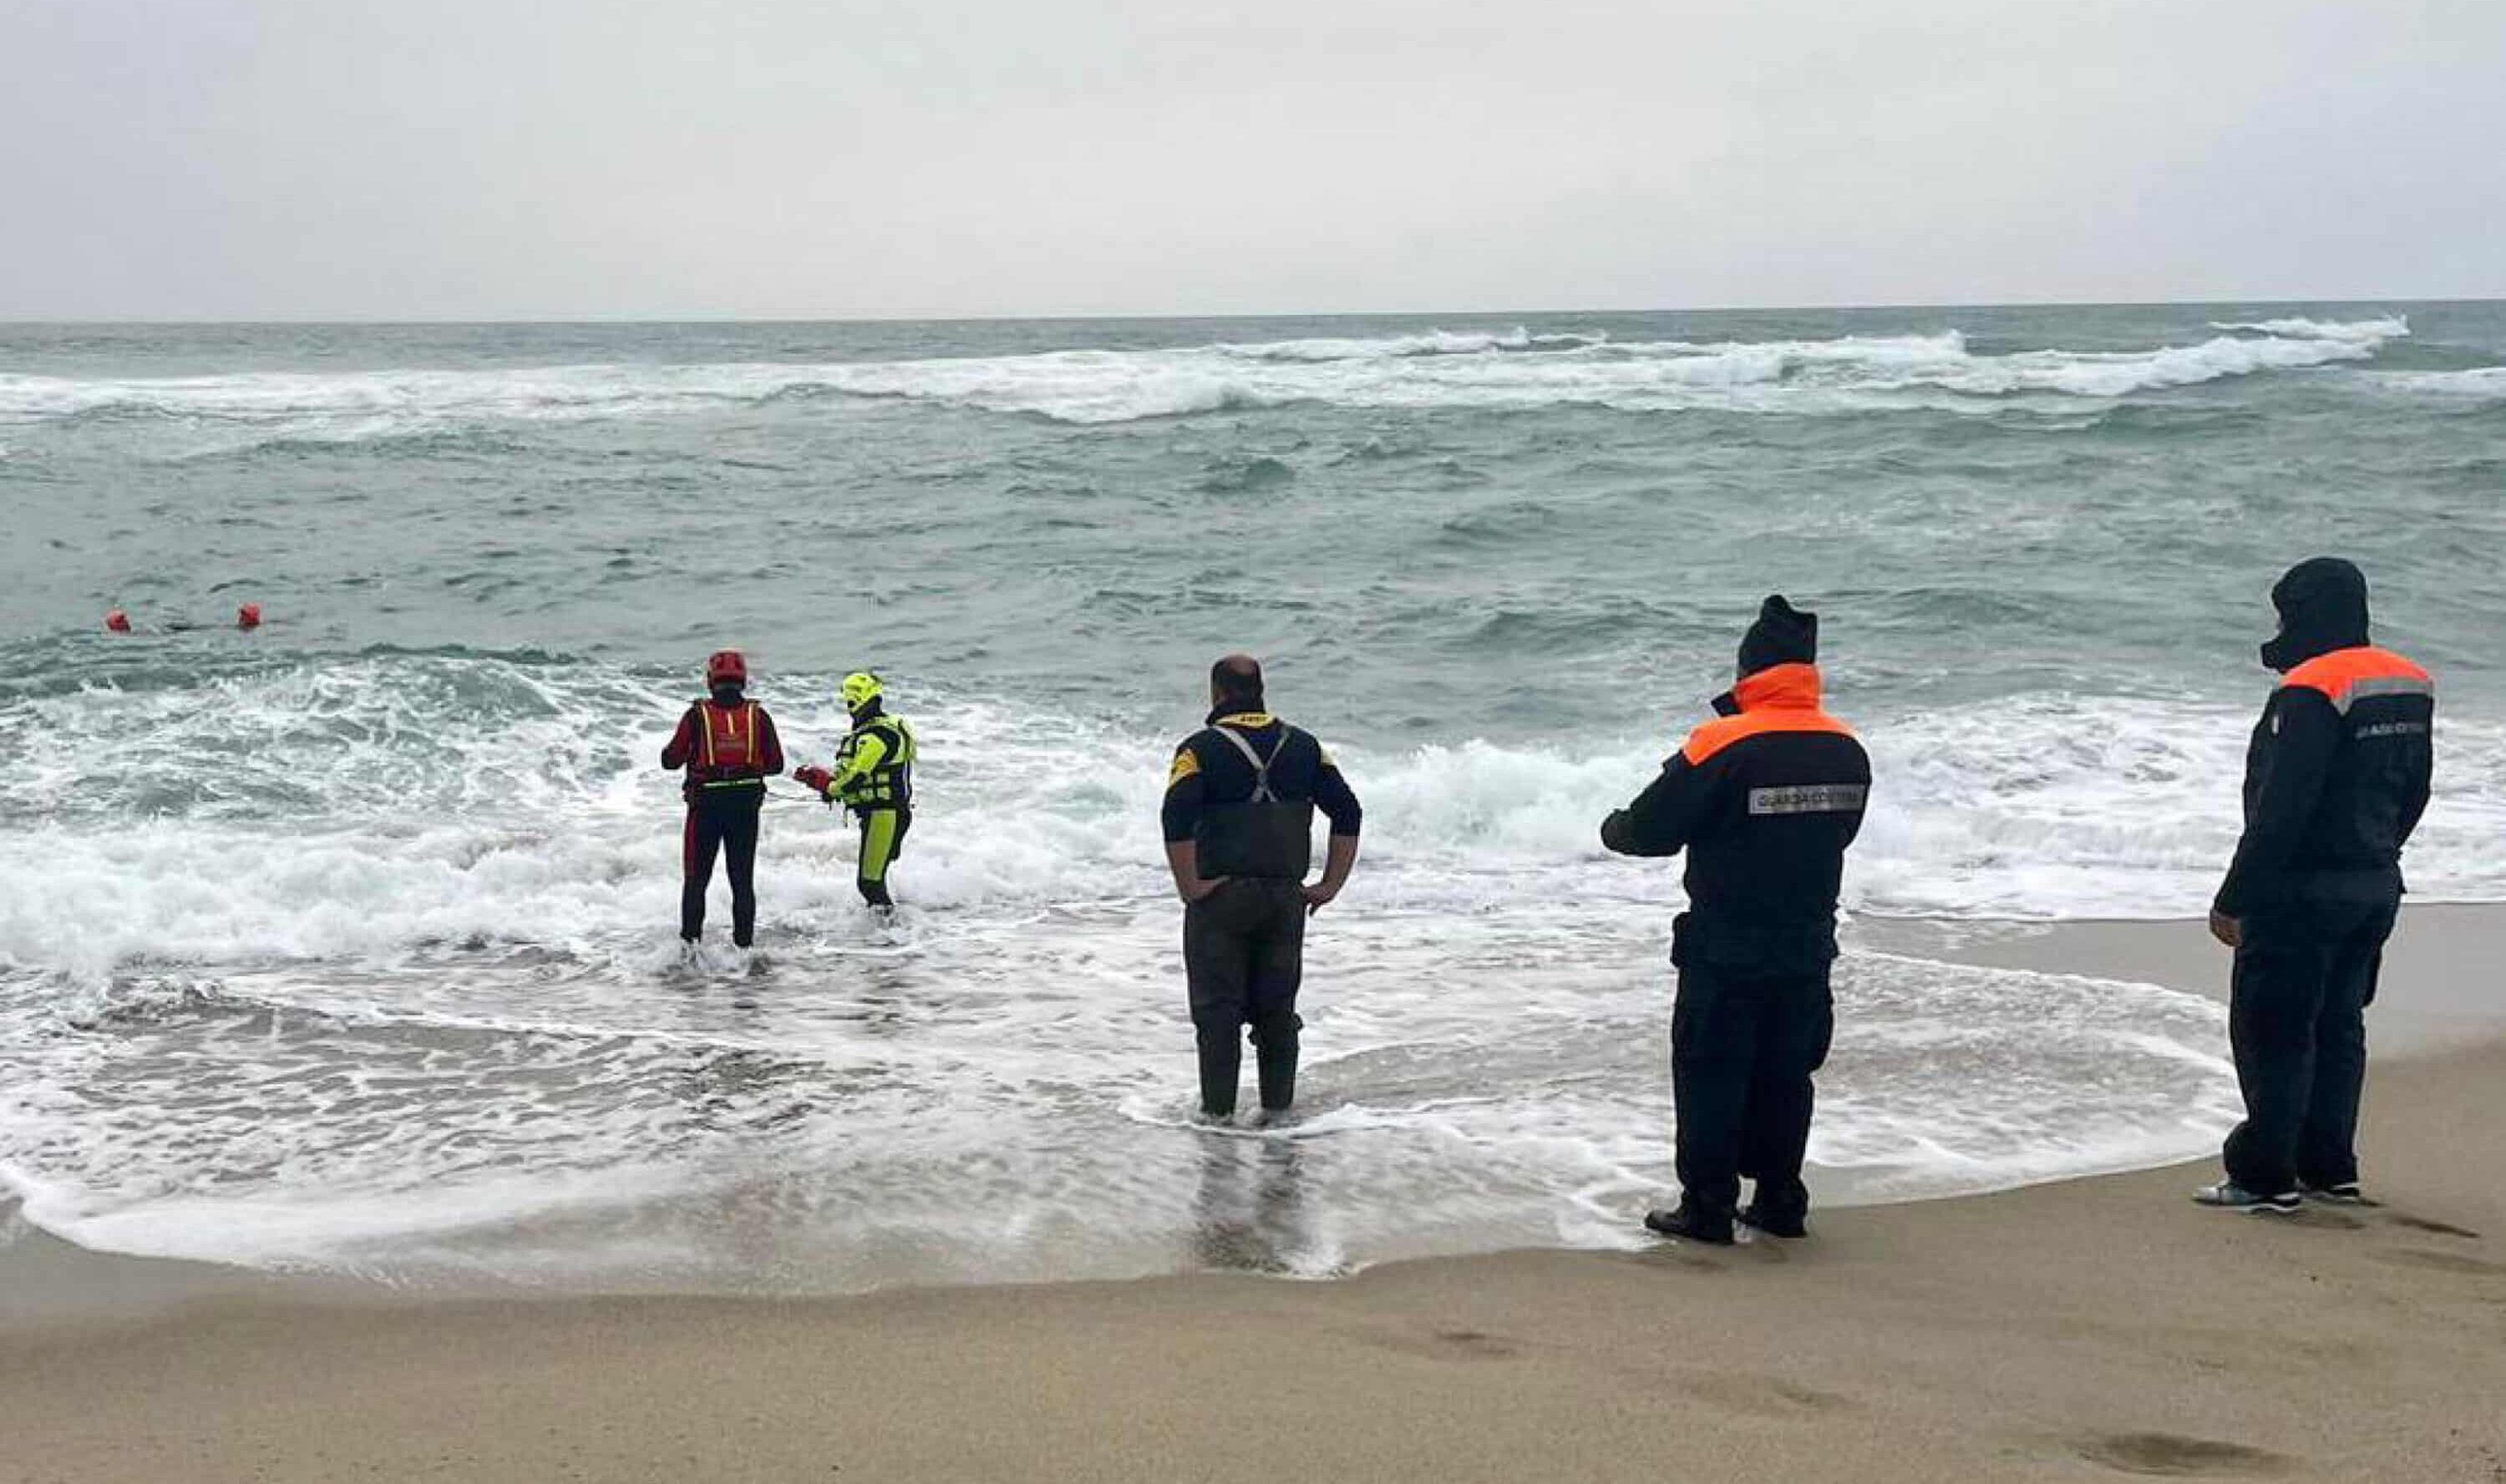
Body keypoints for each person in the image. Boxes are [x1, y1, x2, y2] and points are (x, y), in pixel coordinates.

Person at [1600, 596, 1870, 1245]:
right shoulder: (1847, 748)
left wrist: (1611, 828)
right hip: (1807, 943)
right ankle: (1781, 1198)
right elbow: (1845, 831)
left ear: (1749, 670)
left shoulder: (1723, 742)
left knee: (1712, 1068)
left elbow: (1649, 829)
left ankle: (1708, 1205)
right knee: (1786, 1071)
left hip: (1727, 943)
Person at [2199, 558, 2434, 1214]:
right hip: (2375, 884)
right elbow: (2415, 790)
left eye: (2285, 613)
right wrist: (2380, 857)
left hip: (2299, 892)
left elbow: (2283, 810)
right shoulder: (2407, 681)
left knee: (2273, 1026)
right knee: (2338, 1026)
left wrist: (2234, 896)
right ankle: (2330, 1168)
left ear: (2304, 613)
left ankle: (2264, 1175)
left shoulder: (2311, 688)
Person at [1161, 655, 1362, 1121]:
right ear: (1260, 690)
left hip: (1222, 899)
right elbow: (1348, 812)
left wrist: (1191, 885)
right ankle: (1278, 1118)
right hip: (1285, 899)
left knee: (1217, 1015)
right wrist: (1329, 885)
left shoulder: (1198, 750)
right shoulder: (1306, 747)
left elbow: (1176, 816)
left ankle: (1217, 1120)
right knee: (1277, 1014)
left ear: (1218, 694)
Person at [661, 650, 784, 949]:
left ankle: (690, 953)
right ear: (743, 681)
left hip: (705, 808)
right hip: (745, 809)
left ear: (710, 680)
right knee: (742, 882)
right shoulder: (759, 716)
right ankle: (744, 951)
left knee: (696, 881)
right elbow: (777, 764)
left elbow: (669, 760)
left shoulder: (696, 716)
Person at [794, 671, 917, 913]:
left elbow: (855, 779)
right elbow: (857, 779)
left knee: (869, 883)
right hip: (886, 813)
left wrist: (826, 786)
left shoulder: (877, 736)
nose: (849, 710)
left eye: (849, 703)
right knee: (874, 878)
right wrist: (827, 783)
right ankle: (892, 933)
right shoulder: (886, 728)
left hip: (885, 815)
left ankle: (890, 936)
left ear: (856, 701)